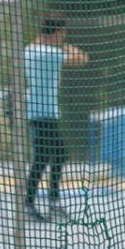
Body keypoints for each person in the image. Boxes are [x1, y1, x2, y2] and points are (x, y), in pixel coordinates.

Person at [24, 14, 89, 222]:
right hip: (43, 113)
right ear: (59, 32)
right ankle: (32, 203)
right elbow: (83, 58)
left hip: (40, 111)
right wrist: (65, 44)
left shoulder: (29, 49)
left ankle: (49, 200)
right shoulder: (50, 53)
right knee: (45, 158)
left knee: (55, 155)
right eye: (63, 33)